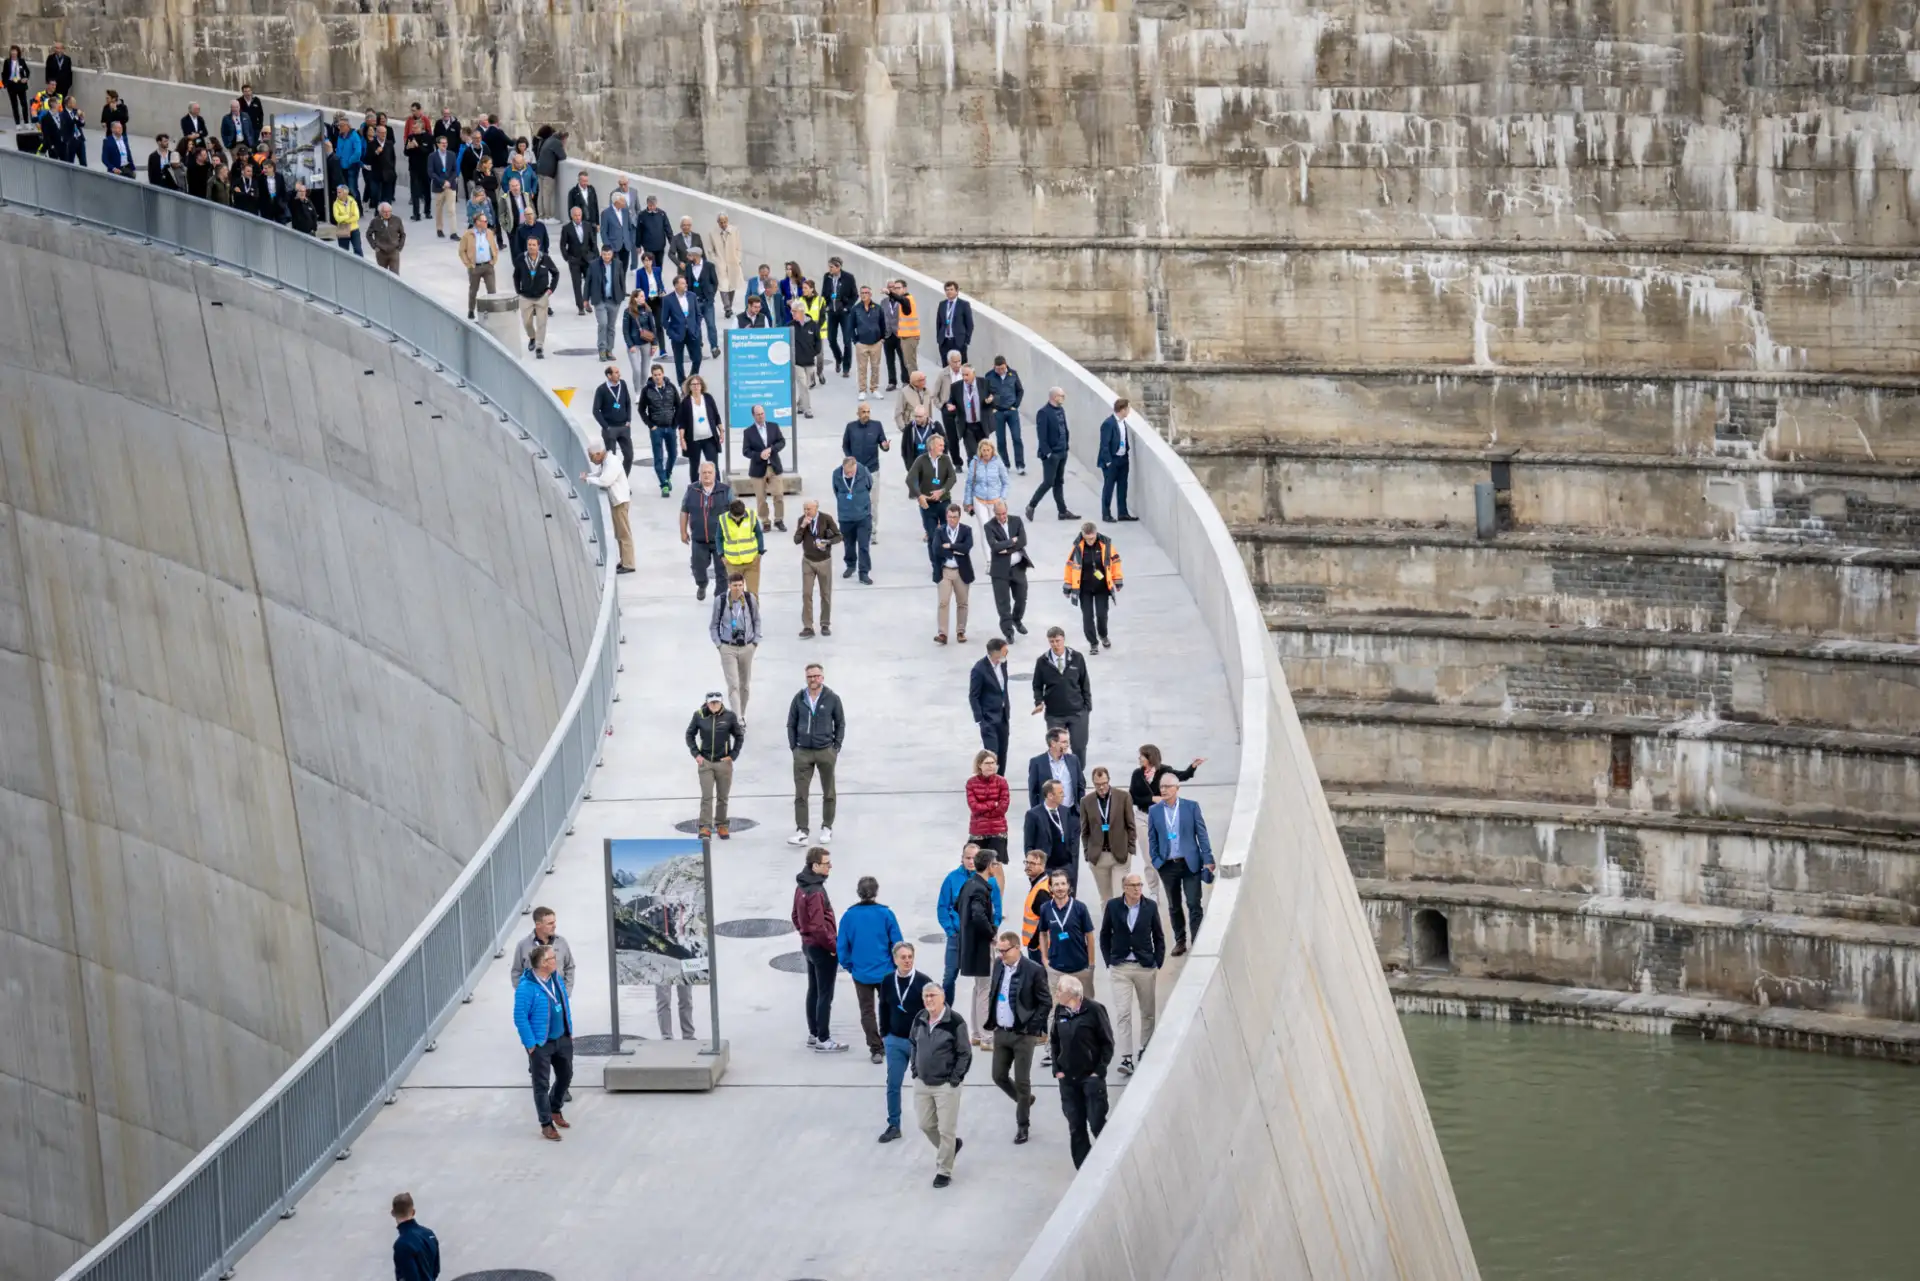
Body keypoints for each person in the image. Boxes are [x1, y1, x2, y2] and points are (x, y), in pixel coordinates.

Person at [988, 928, 1051, 1144]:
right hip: (1001, 1031)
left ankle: (1022, 1125)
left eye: (1005, 951)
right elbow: (995, 993)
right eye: (999, 951)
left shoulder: (1033, 970)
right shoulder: (998, 965)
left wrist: (1032, 1027)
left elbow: (1046, 1002)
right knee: (998, 1076)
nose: (1002, 955)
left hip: (1023, 1035)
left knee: (1023, 1081)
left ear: (1017, 948)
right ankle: (1025, 1100)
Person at [1100, 871, 1163, 1076]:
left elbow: (1158, 935)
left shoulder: (1150, 907)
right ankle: (1126, 1057)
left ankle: (1145, 1048)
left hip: (1144, 967)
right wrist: (1109, 960)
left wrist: (1157, 962)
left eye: (1139, 885)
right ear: (1124, 888)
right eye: (1133, 885)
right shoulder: (1113, 906)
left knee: (1148, 1012)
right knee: (1123, 1013)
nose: (1137, 889)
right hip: (1121, 968)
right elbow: (1104, 934)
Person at [838, 876, 906, 1064]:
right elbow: (898, 943)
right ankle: (893, 1042)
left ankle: (876, 1049)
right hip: (885, 971)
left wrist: (849, 965)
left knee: (867, 1011)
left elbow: (842, 946)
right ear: (876, 892)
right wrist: (896, 965)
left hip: (861, 973)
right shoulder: (886, 914)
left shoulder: (849, 916)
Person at [909, 983, 971, 1188]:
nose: (928, 1000)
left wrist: (955, 1079)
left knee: (946, 1129)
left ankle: (944, 1170)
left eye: (932, 995)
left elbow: (964, 1053)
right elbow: (913, 1043)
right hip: (922, 1082)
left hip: (946, 1084)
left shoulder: (955, 1022)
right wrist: (915, 1070)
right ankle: (951, 1148)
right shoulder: (920, 1018)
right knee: (925, 1124)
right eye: (925, 996)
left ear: (942, 997)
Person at [1049, 975, 1114, 1168]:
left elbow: (1107, 1043)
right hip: (1068, 1080)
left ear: (1072, 993)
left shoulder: (1094, 1010)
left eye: (1059, 990)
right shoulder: (1060, 1011)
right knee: (1076, 1127)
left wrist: (1098, 1072)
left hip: (1090, 1078)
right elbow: (1054, 1041)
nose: (1057, 993)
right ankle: (1084, 1168)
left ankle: (1108, 1162)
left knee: (1096, 1123)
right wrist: (1057, 1069)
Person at [511, 944, 574, 1141]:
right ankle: (546, 1123)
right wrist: (530, 1044)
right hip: (541, 1043)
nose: (556, 960)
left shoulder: (556, 978)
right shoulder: (526, 988)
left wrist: (568, 1029)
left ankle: (555, 1108)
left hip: (561, 1038)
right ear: (542, 963)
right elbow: (520, 1017)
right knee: (541, 1084)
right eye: (552, 958)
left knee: (566, 1075)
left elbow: (564, 1004)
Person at [1148, 772, 1213, 957]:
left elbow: (1202, 834)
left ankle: (1197, 941)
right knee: (1174, 905)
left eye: (1167, 786)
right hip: (1167, 865)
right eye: (1161, 787)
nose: (1164, 790)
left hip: (1189, 863)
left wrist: (1208, 859)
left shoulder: (1191, 807)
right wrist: (1156, 860)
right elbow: (1152, 838)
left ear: (1177, 788)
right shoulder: (1155, 811)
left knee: (1193, 902)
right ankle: (1180, 941)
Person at [792, 846, 849, 1052]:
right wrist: (833, 947)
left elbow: (795, 917)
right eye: (826, 863)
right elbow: (818, 926)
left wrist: (804, 934)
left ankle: (813, 1033)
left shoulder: (802, 886)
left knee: (814, 990)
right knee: (825, 993)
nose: (830, 866)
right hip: (821, 948)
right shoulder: (816, 892)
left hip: (808, 946)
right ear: (815, 865)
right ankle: (824, 1038)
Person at [876, 942, 932, 1143]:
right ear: (895, 959)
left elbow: (935, 1011)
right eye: (903, 957)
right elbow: (883, 1006)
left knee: (926, 1085)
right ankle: (894, 1125)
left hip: (918, 1042)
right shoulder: (888, 981)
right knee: (893, 1084)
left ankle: (933, 1124)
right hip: (895, 1040)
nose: (907, 960)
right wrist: (884, 1034)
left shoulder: (923, 982)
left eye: (910, 956)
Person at [787, 663, 845, 846]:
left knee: (828, 792)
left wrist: (835, 747)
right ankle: (802, 830)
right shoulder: (799, 698)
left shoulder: (832, 698)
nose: (813, 679)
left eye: (816, 676)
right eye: (810, 676)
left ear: (822, 677)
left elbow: (840, 723)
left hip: (825, 750)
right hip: (803, 751)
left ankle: (827, 827)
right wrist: (793, 748)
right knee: (801, 794)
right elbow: (791, 723)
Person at [687, 689, 742, 841]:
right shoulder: (699, 715)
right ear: (707, 703)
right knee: (707, 796)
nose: (714, 705)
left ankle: (721, 824)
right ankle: (705, 826)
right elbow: (689, 735)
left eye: (717, 702)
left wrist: (733, 755)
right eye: (712, 703)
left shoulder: (729, 716)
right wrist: (696, 754)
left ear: (721, 702)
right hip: (706, 762)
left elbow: (739, 736)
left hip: (724, 762)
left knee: (723, 796)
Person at [1032, 626, 1093, 760]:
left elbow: (1084, 682)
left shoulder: (1077, 657)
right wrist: (1039, 701)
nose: (1055, 644)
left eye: (1057, 641)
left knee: (1079, 746)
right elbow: (1037, 685)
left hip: (1077, 712)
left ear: (1063, 639)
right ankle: (1059, 777)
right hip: (1054, 714)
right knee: (1056, 748)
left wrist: (1087, 707)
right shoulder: (1042, 661)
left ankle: (1078, 774)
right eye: (1052, 641)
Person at [1065, 522, 1125, 655]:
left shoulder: (1106, 545)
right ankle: (1093, 642)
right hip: (1084, 588)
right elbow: (1070, 566)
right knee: (1087, 617)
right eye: (1087, 539)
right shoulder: (1077, 548)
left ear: (1096, 534)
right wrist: (1068, 586)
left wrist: (1117, 580)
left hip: (1102, 587)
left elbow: (1115, 562)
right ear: (1083, 536)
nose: (1090, 541)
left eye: (1092, 538)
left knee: (1102, 615)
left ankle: (1103, 635)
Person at [1079, 766, 1137, 903]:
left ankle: (1119, 925)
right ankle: (1107, 924)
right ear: (1093, 783)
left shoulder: (1123, 797)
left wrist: (1130, 849)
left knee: (1119, 897)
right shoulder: (1086, 801)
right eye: (1098, 784)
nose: (1101, 787)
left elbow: (1131, 825)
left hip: (1120, 855)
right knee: (1106, 899)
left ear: (1109, 780)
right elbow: (1085, 830)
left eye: (1104, 783)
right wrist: (1088, 852)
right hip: (1099, 857)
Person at [1038, 867, 1097, 999]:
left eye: (1063, 884)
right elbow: (1042, 933)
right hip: (1056, 969)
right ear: (1051, 888)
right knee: (1057, 1008)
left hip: (1080, 968)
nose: (1060, 888)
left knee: (1084, 1007)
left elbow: (1090, 936)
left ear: (1069, 886)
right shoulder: (1045, 908)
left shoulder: (1080, 908)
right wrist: (1045, 959)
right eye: (1056, 884)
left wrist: (1091, 964)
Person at [709, 573, 761, 723]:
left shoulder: (750, 599)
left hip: (747, 646)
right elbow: (713, 625)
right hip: (728, 647)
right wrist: (719, 645)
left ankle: (742, 713)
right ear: (729, 586)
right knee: (733, 685)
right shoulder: (721, 601)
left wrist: (755, 641)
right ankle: (737, 718)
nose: (738, 588)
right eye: (734, 585)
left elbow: (757, 620)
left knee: (744, 685)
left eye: (740, 585)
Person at [678, 456, 731, 600]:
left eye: (709, 472)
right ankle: (702, 584)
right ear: (699, 475)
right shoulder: (691, 490)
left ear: (715, 474)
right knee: (698, 567)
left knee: (722, 571)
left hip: (720, 539)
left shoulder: (725, 491)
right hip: (699, 538)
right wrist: (683, 532)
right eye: (704, 473)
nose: (707, 475)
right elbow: (684, 511)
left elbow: (735, 513)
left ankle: (719, 597)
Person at [980, 499, 1032, 643]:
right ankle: (1008, 631)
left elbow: (1023, 541)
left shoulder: (1016, 521)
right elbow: (994, 547)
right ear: (994, 513)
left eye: (1004, 513)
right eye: (999, 514)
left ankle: (1017, 619)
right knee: (1003, 603)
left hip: (1017, 567)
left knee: (1021, 597)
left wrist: (1006, 548)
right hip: (1000, 571)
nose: (1002, 517)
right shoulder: (989, 526)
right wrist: (1012, 541)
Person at [581, 438, 634, 575]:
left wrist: (589, 480)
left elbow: (605, 480)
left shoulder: (612, 462)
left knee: (623, 533)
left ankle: (628, 563)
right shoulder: (607, 461)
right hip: (617, 500)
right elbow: (600, 474)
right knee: (619, 533)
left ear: (598, 453)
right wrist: (589, 476)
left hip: (620, 501)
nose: (592, 460)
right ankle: (624, 561)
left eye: (591, 457)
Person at [1026, 387, 1079, 521]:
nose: (1063, 398)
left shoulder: (1060, 410)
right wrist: (1048, 453)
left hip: (1062, 452)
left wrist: (1066, 447)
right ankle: (1031, 505)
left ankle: (1062, 511)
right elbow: (1041, 436)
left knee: (1058, 482)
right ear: (1054, 397)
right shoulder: (1044, 413)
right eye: (1061, 396)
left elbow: (1064, 429)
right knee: (1048, 482)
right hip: (1052, 455)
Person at [840, 403, 889, 544]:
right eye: (863, 412)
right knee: (854, 502)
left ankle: (872, 532)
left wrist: (885, 446)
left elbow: (883, 443)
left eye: (868, 411)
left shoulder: (877, 425)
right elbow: (845, 445)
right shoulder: (851, 427)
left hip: (872, 470)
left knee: (872, 503)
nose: (866, 414)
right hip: (855, 472)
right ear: (858, 413)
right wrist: (850, 460)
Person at [793, 498, 841, 638]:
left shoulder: (826, 519)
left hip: (824, 561)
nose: (807, 512)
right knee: (806, 593)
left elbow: (839, 536)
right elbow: (796, 540)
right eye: (805, 509)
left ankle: (825, 623)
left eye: (809, 509)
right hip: (808, 560)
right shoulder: (802, 520)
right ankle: (808, 626)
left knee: (825, 593)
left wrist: (827, 542)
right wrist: (802, 526)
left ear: (816, 509)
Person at [931, 501, 974, 645]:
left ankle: (960, 631)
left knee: (962, 602)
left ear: (959, 517)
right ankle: (942, 633)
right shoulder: (940, 531)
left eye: (955, 517)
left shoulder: (966, 530)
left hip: (961, 571)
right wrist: (956, 551)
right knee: (943, 602)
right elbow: (937, 549)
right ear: (946, 516)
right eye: (949, 517)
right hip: (945, 571)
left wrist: (950, 546)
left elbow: (967, 547)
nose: (952, 520)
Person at [1024, 781, 1079, 894]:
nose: (1064, 795)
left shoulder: (1065, 811)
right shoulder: (1034, 815)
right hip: (1046, 867)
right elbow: (1029, 844)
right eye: (1060, 793)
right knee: (1046, 899)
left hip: (1066, 865)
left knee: (1068, 898)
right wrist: (1034, 867)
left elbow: (1071, 837)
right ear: (1050, 795)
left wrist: (1072, 859)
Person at [741, 404, 787, 531]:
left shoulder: (773, 427)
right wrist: (758, 455)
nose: (760, 416)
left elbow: (782, 442)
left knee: (778, 494)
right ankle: (765, 521)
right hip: (758, 469)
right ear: (753, 416)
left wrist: (771, 449)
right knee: (761, 498)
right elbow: (746, 451)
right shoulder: (748, 432)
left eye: (762, 414)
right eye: (758, 414)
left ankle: (779, 519)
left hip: (774, 466)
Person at [969, 638, 1013, 770]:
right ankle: (991, 785)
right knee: (992, 756)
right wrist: (980, 720)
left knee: (1003, 753)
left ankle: (1000, 782)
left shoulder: (1003, 664)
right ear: (995, 652)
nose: (1007, 653)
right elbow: (973, 695)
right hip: (989, 718)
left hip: (1003, 716)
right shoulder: (979, 669)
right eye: (1005, 651)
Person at [508, 906, 578, 990]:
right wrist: (525, 994)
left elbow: (569, 967)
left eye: (554, 922)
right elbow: (516, 972)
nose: (554, 926)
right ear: (538, 925)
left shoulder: (561, 943)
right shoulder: (523, 946)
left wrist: (566, 993)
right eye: (550, 923)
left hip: (558, 998)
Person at [512, 235, 559, 358]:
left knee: (541, 322)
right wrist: (518, 290)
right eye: (529, 245)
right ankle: (532, 337)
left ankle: (539, 346)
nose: (531, 247)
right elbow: (516, 276)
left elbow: (556, 273)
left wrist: (550, 289)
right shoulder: (521, 259)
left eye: (533, 245)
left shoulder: (545, 259)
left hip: (541, 296)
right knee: (527, 322)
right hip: (526, 296)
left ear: (538, 246)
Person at [907, 431, 957, 544]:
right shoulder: (921, 460)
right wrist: (919, 496)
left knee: (946, 535)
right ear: (932, 446)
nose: (943, 448)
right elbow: (910, 479)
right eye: (940, 445)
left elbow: (952, 478)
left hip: (944, 502)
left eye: (943, 445)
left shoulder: (946, 459)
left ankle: (945, 559)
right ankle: (935, 561)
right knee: (932, 535)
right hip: (927, 504)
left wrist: (942, 490)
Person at [675, 373, 724, 490]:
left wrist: (721, 431)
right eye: (693, 384)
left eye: (698, 384)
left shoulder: (708, 398)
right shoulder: (686, 402)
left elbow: (716, 416)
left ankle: (717, 489)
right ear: (689, 387)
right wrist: (682, 439)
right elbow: (682, 423)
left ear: (701, 386)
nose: (696, 386)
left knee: (713, 465)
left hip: (709, 438)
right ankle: (695, 489)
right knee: (694, 465)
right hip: (693, 440)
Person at [965, 747, 1011, 868]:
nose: (991, 766)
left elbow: (1003, 807)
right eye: (987, 763)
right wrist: (992, 804)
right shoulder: (971, 783)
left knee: (996, 866)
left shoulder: (1002, 782)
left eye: (993, 763)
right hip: (978, 831)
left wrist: (984, 811)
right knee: (977, 867)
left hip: (998, 830)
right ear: (979, 765)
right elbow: (974, 807)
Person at [1097, 397, 1141, 523]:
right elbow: (1104, 444)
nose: (1129, 411)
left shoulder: (1123, 423)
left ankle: (1123, 513)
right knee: (1109, 488)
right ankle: (1106, 514)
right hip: (1112, 461)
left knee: (1123, 486)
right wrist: (1108, 461)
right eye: (1128, 409)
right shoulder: (1108, 423)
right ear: (1122, 409)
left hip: (1123, 459)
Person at [832, 455, 874, 585]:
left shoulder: (863, 471)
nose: (849, 474)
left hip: (863, 516)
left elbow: (869, 485)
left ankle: (864, 572)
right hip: (845, 517)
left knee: (863, 546)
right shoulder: (836, 474)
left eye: (851, 472)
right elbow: (836, 490)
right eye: (847, 472)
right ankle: (850, 565)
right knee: (848, 544)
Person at [640, 362, 678, 497]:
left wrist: (675, 424)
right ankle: (664, 485)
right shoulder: (647, 390)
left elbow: (678, 406)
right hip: (656, 428)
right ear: (652, 376)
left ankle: (667, 475)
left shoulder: (671, 387)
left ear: (663, 374)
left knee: (673, 455)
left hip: (670, 427)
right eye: (655, 375)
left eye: (659, 374)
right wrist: (651, 425)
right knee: (658, 457)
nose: (657, 377)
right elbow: (641, 410)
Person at [983, 356, 1027, 474]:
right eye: (998, 369)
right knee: (1001, 440)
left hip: (1011, 411)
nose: (1000, 371)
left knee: (1016, 437)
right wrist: (992, 407)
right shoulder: (989, 376)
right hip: (998, 412)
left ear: (1005, 365)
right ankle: (1005, 464)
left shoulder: (1013, 374)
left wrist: (1016, 405)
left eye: (1002, 368)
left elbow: (1020, 390)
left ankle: (1020, 464)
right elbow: (985, 393)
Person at [1028, 725, 1086, 813]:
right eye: (1064, 742)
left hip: (1071, 812)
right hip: (1049, 814)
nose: (1067, 745)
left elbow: (1081, 785)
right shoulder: (1037, 762)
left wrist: (1080, 808)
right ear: (1053, 743)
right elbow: (1033, 792)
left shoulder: (1073, 760)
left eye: (1068, 742)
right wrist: (1037, 814)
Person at [717, 497, 766, 597]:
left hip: (752, 562)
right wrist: (721, 555)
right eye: (736, 517)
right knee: (735, 595)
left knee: (753, 595)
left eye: (741, 516)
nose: (738, 518)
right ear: (730, 512)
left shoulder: (751, 516)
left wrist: (760, 553)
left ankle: (753, 612)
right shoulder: (723, 519)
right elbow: (719, 538)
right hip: (732, 563)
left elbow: (759, 534)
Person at [663, 272, 705, 381]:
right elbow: (664, 320)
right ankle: (682, 384)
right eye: (682, 283)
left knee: (697, 358)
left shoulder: (692, 296)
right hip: (677, 334)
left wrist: (696, 328)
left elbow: (698, 314)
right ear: (676, 285)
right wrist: (671, 333)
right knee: (679, 362)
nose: (685, 285)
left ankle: (690, 380)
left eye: (685, 283)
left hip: (692, 332)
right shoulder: (668, 299)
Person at [848, 284, 887, 400]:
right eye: (862, 293)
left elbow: (882, 324)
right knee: (862, 367)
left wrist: (882, 339)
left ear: (870, 294)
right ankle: (862, 390)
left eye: (866, 293)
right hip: (862, 343)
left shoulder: (878, 308)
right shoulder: (855, 309)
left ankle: (874, 388)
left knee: (875, 367)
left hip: (876, 343)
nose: (864, 295)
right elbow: (850, 326)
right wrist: (855, 341)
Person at [390, 1192, 440, 1281]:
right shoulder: (429, 1234)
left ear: (393, 1213)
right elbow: (436, 1270)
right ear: (413, 1212)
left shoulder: (401, 1245)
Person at [821, 256, 857, 378]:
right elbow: (824, 293)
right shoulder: (827, 277)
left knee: (847, 340)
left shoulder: (848, 277)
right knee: (831, 339)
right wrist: (826, 305)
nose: (829, 269)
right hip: (832, 312)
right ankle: (838, 358)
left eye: (831, 267)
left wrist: (848, 307)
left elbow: (855, 295)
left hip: (844, 313)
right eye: (829, 267)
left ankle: (846, 368)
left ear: (838, 267)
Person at [962, 438, 1011, 521]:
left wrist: (1002, 499)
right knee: (984, 527)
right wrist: (968, 502)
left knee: (995, 530)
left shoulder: (998, 462)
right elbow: (969, 483)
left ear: (992, 450)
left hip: (995, 502)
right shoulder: (974, 462)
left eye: (988, 450)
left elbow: (1006, 482)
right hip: (979, 500)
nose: (986, 453)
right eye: (984, 450)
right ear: (980, 451)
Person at [787, 297, 821, 419]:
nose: (792, 313)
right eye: (792, 311)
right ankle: (808, 409)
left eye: (794, 311)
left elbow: (818, 341)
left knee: (806, 384)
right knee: (803, 385)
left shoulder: (812, 325)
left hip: (810, 361)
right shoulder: (790, 326)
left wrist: (814, 352)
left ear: (801, 312)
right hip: (797, 362)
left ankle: (800, 405)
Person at [624, 291, 659, 396]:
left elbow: (652, 327)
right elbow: (625, 330)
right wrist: (630, 345)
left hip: (646, 342)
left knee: (645, 370)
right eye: (641, 296)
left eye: (644, 296)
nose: (644, 298)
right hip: (634, 344)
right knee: (637, 369)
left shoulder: (647, 310)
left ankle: (643, 390)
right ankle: (637, 392)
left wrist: (654, 344)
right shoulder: (628, 312)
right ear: (635, 298)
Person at [711, 213, 744, 318]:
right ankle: (727, 308)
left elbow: (739, 246)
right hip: (720, 262)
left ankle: (729, 304)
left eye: (725, 222)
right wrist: (715, 261)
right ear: (718, 223)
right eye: (721, 222)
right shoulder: (712, 233)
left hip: (733, 261)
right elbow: (710, 250)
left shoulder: (734, 231)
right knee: (723, 285)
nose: (723, 224)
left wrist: (738, 258)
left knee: (732, 285)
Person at [599, 190, 635, 285]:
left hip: (626, 245)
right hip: (613, 247)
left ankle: (622, 290)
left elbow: (629, 228)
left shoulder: (625, 211)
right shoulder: (606, 213)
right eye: (623, 201)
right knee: (615, 270)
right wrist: (608, 246)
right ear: (616, 202)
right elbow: (603, 232)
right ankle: (615, 291)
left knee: (624, 268)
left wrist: (630, 241)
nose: (625, 203)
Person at [937, 279, 974, 365]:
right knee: (946, 367)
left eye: (951, 289)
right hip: (945, 341)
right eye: (947, 290)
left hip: (958, 341)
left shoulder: (963, 304)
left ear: (957, 291)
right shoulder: (942, 304)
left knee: (960, 367)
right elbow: (938, 323)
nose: (949, 292)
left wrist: (966, 341)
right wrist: (939, 339)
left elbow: (969, 324)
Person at [428, 138, 461, 233]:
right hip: (439, 186)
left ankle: (453, 232)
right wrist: (442, 182)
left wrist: (449, 182)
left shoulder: (452, 155)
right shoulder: (432, 156)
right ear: (437, 144)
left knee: (452, 210)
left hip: (450, 185)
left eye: (446, 143)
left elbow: (455, 170)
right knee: (438, 209)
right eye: (442, 143)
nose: (444, 145)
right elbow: (431, 172)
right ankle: (439, 229)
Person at [535, 127, 567, 219]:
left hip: (540, 170)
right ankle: (548, 216)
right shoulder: (557, 143)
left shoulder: (549, 140)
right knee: (546, 194)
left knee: (541, 193)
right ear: (562, 138)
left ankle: (541, 215)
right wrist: (563, 146)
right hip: (548, 172)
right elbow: (563, 156)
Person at [366, 200, 406, 273]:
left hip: (394, 251)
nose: (387, 214)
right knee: (382, 275)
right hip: (381, 252)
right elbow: (368, 234)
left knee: (395, 275)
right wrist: (374, 246)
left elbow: (402, 234)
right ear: (380, 212)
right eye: (385, 212)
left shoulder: (397, 220)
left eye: (389, 211)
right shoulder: (375, 221)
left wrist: (399, 247)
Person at [635, 193, 671, 264]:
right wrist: (638, 245)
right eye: (650, 205)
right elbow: (639, 231)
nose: (651, 207)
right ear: (647, 204)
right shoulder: (642, 215)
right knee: (651, 266)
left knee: (659, 266)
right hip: (648, 247)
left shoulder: (662, 214)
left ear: (656, 204)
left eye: (653, 205)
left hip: (660, 246)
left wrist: (672, 243)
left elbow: (668, 229)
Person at [331, 184, 363, 256]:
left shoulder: (352, 201)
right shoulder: (335, 204)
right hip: (343, 228)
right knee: (344, 251)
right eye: (337, 192)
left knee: (358, 249)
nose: (338, 194)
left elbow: (356, 216)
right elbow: (337, 219)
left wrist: (344, 220)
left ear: (345, 193)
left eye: (340, 192)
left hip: (354, 228)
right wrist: (348, 216)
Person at [2, 48, 28, 126]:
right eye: (12, 53)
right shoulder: (7, 61)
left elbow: (27, 71)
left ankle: (26, 122)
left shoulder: (21, 61)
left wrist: (26, 78)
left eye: (15, 53)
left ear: (17, 53)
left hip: (20, 85)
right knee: (14, 105)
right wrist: (5, 84)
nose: (13, 54)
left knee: (24, 104)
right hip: (11, 85)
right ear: (10, 53)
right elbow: (4, 73)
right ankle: (17, 123)